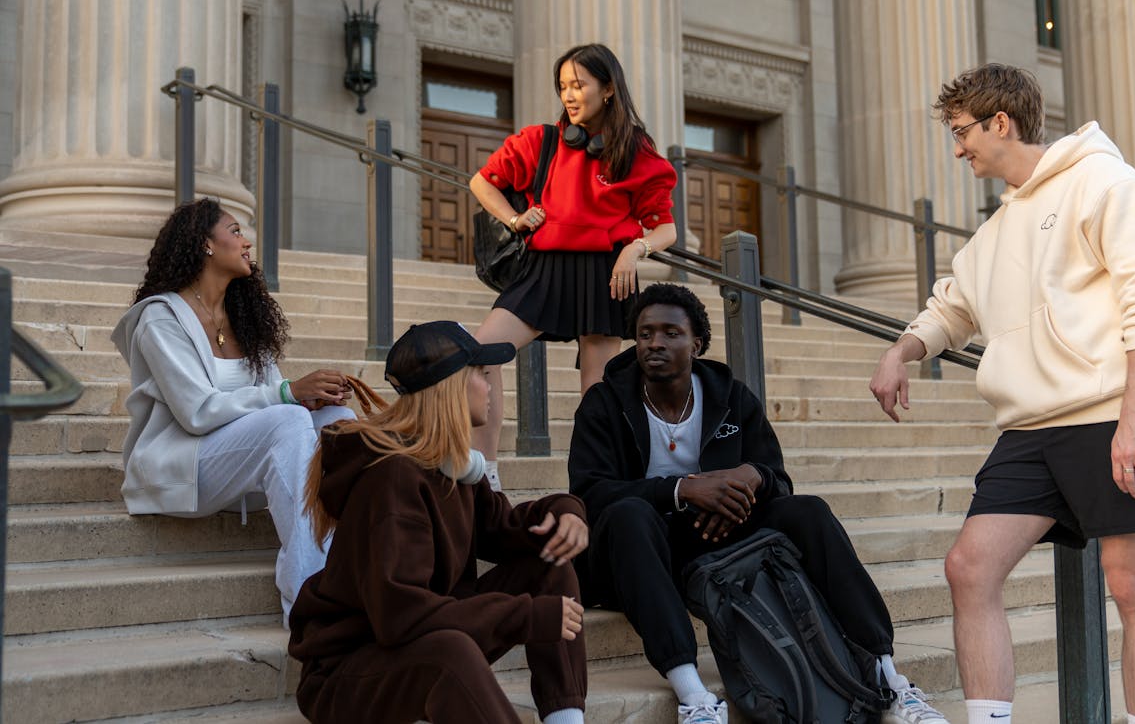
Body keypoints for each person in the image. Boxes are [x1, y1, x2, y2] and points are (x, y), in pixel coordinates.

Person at [869, 64, 1135, 724]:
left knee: (1132, 584)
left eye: (963, 132)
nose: (958, 148)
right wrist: (902, 351)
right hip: (1029, 427)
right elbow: (952, 308)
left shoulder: (1104, 181)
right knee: (969, 567)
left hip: (1111, 411)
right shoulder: (992, 233)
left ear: (1001, 122)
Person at [570, 283, 949, 724]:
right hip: (639, 555)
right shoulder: (605, 402)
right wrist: (681, 489)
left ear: (697, 344)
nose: (655, 343)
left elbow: (777, 480)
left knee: (809, 511)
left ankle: (889, 677)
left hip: (717, 538)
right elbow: (590, 493)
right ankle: (693, 696)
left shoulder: (730, 397)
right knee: (628, 514)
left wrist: (754, 476)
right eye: (645, 333)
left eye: (671, 333)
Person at [288, 321, 589, 724]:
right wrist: (525, 616)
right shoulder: (393, 479)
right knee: (450, 653)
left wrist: (566, 512)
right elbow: (402, 616)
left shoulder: (454, 466)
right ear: (451, 387)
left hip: (416, 642)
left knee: (549, 562)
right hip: (350, 672)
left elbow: (504, 529)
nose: (491, 386)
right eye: (481, 374)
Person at [111, 198, 355, 619]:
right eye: (236, 231)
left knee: (340, 423)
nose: (247, 243)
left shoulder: (244, 318)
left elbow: (274, 397)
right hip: (184, 465)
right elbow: (197, 412)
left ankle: (350, 570)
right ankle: (309, 605)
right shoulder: (160, 319)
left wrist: (308, 397)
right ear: (205, 244)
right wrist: (289, 394)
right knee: (288, 418)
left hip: (242, 467)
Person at [468, 43, 679, 490]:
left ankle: (593, 487)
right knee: (480, 354)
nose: (568, 94)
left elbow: (666, 229)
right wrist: (515, 219)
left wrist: (635, 249)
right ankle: (485, 475)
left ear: (608, 89)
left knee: (596, 392)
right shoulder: (540, 141)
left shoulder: (635, 153)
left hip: (606, 273)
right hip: (543, 269)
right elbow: (481, 182)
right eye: (563, 85)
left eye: (578, 85)